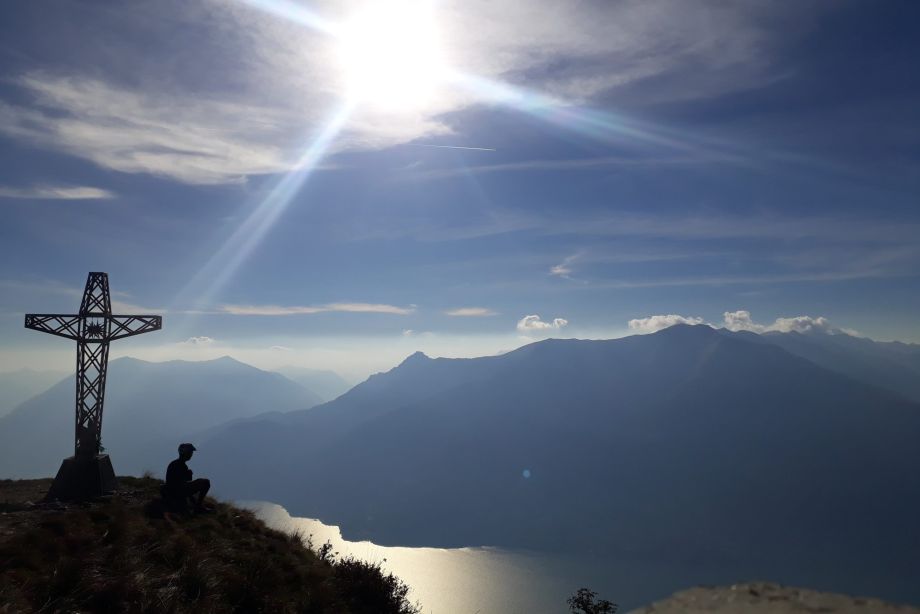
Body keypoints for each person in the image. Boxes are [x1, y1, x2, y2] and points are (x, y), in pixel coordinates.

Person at [164, 443, 211, 512]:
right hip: (177, 492)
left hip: (174, 491)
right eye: (190, 452)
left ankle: (196, 505)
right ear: (185, 453)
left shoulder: (176, 464)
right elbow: (181, 484)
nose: (191, 454)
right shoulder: (179, 465)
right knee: (206, 482)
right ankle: (198, 507)